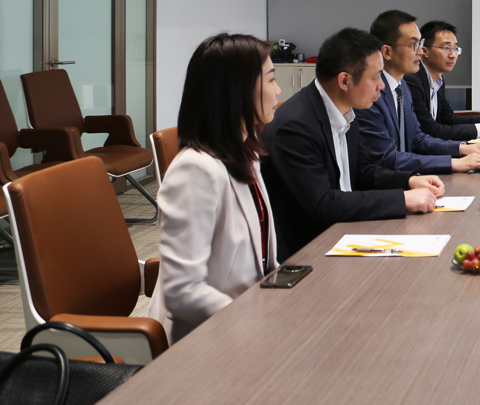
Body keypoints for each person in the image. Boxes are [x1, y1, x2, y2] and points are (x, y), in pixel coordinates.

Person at [262, 28, 445, 261]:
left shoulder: (346, 110)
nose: (381, 86)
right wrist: (402, 199)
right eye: (375, 77)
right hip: (309, 253)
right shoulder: (296, 126)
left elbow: (363, 171)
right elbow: (323, 204)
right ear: (345, 80)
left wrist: (409, 180)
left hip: (344, 233)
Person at [147, 34, 281, 343]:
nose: (278, 91)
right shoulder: (195, 170)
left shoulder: (245, 154)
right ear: (238, 91)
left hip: (247, 322)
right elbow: (183, 292)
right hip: (205, 338)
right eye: (271, 79)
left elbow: (262, 260)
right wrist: (255, 317)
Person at [357, 11, 480, 174]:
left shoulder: (402, 87)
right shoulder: (370, 95)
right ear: (387, 52)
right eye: (413, 45)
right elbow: (386, 158)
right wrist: (453, 163)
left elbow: (417, 139)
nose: (420, 52)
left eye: (420, 44)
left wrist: (462, 148)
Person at [404, 20, 480, 142]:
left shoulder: (438, 80)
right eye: (446, 48)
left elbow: (448, 119)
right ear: (424, 51)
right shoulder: (413, 80)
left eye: (455, 49)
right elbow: (430, 130)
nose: (453, 55)